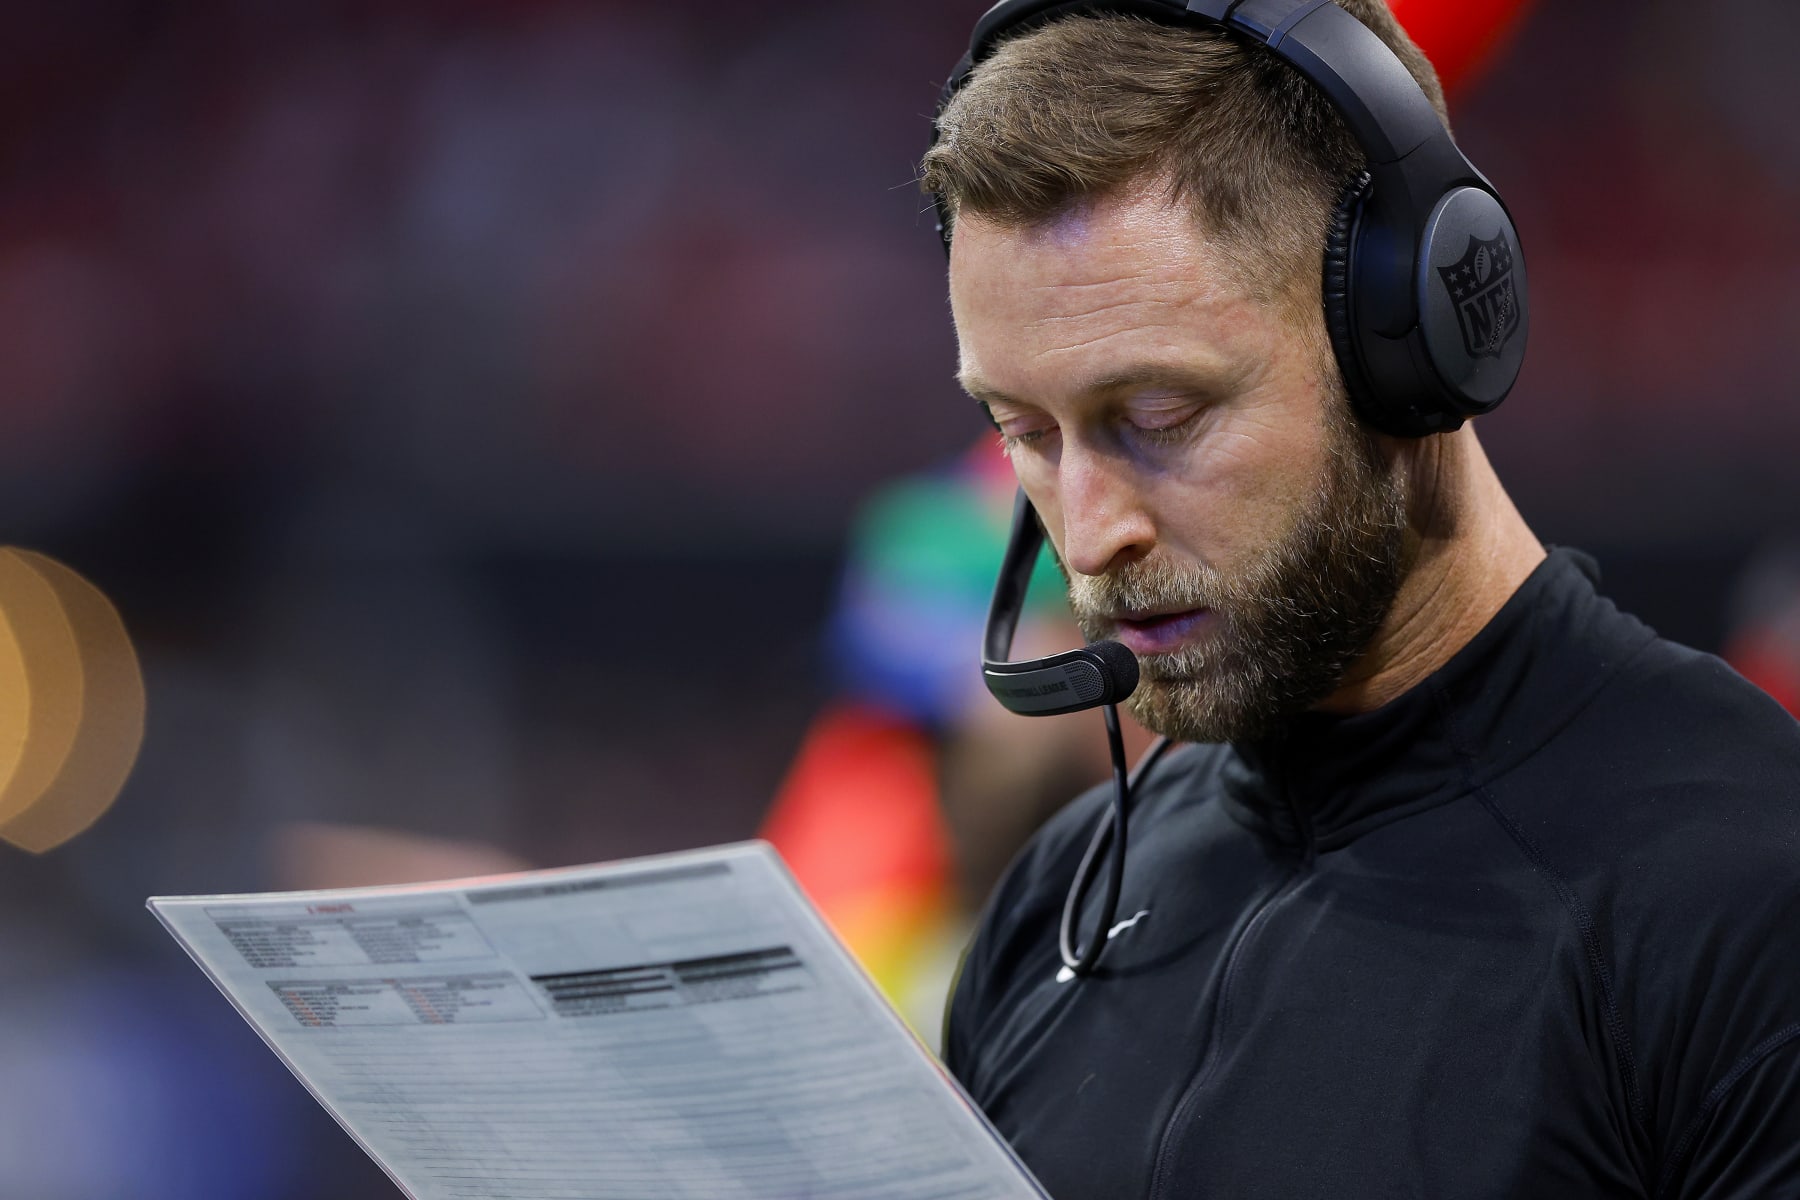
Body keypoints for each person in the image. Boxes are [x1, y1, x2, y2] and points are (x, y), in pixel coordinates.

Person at [919, 2, 1800, 1197]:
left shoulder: (1751, 891)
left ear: (1417, 341)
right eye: (1023, 431)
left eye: (1161, 418)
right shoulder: (1056, 905)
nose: (1089, 533)